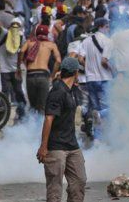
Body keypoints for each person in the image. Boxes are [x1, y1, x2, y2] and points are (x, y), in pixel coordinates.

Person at [36, 57, 86, 202]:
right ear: (76, 72)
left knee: (79, 181)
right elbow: (48, 119)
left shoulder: (70, 90)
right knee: (55, 189)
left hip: (72, 145)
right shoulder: (57, 91)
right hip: (56, 146)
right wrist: (43, 147)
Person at [20, 24, 61, 113]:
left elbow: (22, 51)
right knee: (42, 107)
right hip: (43, 75)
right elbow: (58, 60)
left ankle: (31, 125)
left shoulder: (29, 42)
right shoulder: (51, 44)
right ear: (47, 34)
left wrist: (22, 63)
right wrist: (52, 75)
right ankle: (40, 126)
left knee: (33, 106)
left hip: (30, 75)